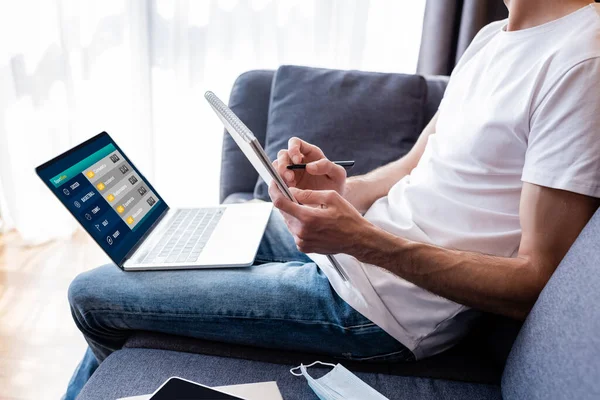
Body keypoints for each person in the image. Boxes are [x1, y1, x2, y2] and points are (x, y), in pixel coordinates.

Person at [64, 0, 600, 397]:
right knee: (161, 247)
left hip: (378, 309)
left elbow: (533, 280)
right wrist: (341, 193)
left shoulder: (581, 61)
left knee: (93, 295)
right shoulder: (490, 38)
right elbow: (414, 167)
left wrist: (362, 240)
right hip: (352, 254)